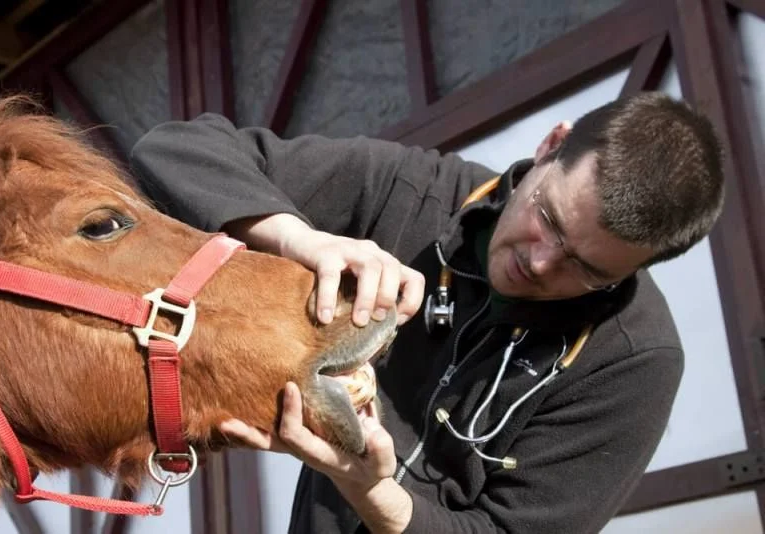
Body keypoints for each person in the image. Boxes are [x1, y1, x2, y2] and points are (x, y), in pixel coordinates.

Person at [129, 91, 725, 533]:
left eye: (587, 270)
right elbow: (175, 149)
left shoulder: (633, 363)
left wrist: (376, 493)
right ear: (550, 145)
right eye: (548, 220)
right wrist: (300, 240)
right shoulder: (418, 192)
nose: (541, 264)